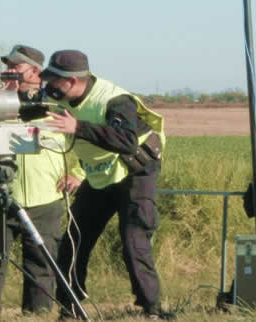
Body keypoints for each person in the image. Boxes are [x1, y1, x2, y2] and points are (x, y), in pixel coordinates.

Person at [43, 50, 173, 320]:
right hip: (101, 176)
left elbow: (126, 140)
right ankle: (71, 307)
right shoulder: (63, 99)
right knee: (74, 239)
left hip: (135, 172)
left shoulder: (115, 100)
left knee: (133, 240)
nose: (50, 87)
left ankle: (152, 309)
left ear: (73, 81)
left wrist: (78, 126)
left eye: (54, 81)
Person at [0, 44, 79, 316]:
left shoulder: (55, 103)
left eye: (15, 66)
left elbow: (82, 141)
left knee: (42, 263)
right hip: (0, 194)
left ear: (35, 71)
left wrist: (78, 173)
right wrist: (0, 101)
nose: (9, 71)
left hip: (46, 196)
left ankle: (37, 315)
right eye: (7, 65)